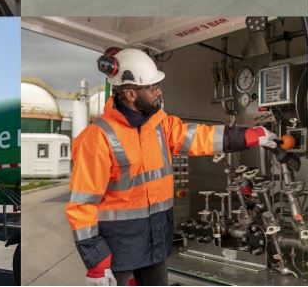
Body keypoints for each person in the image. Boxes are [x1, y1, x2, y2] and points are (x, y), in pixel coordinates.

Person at [67, 48, 280, 286]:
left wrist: (250, 135)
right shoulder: (97, 138)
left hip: (156, 244)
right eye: (151, 87)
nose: (159, 92)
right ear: (129, 93)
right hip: (119, 251)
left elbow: (202, 137)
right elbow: (82, 204)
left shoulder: (161, 125)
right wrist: (96, 262)